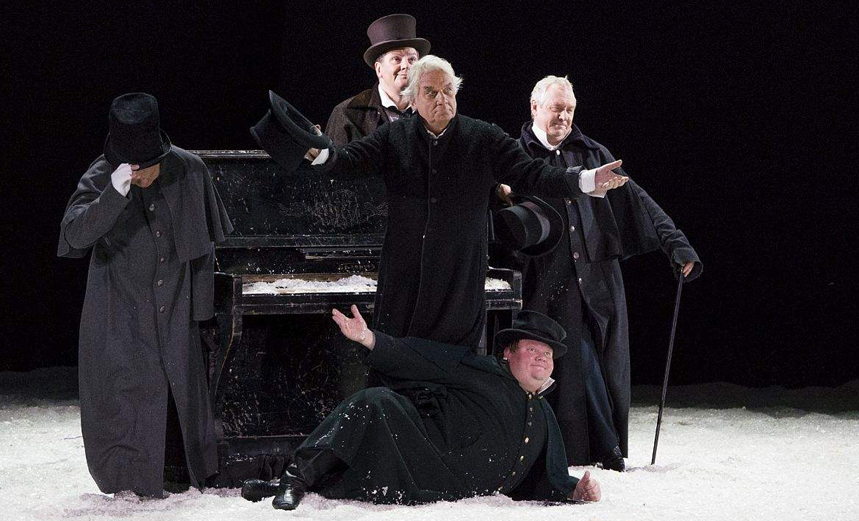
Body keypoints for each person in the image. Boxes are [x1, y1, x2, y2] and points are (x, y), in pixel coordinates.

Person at [301, 56, 629, 350]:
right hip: (404, 278)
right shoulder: (394, 137)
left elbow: (534, 173)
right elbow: (350, 160)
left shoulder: (482, 137)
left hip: (459, 278)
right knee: (396, 358)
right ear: (413, 99)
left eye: (448, 91)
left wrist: (586, 179)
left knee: (454, 366)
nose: (442, 99)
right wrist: (320, 153)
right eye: (431, 92)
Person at [497, 76, 702, 471]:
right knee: (565, 361)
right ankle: (589, 448)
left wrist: (675, 243)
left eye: (570, 109)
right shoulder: (513, 155)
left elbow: (636, 198)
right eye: (556, 108)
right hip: (544, 279)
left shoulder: (591, 153)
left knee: (602, 361)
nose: (564, 116)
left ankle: (599, 447)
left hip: (596, 276)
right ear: (534, 107)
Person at [240, 308, 602, 509]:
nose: (541, 357)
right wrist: (368, 338)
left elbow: (543, 476)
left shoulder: (544, 415)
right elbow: (416, 359)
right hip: (421, 459)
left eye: (547, 354)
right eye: (532, 349)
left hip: (438, 492)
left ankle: (276, 489)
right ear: (508, 353)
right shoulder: (480, 370)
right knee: (375, 401)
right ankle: (294, 478)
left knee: (350, 486)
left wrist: (573, 491)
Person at [57, 92, 233, 497]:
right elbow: (73, 236)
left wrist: (201, 315)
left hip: (176, 308)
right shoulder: (102, 175)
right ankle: (127, 479)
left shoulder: (190, 169)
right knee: (125, 395)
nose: (139, 176)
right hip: (119, 308)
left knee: (180, 395)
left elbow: (204, 250)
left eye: (144, 168)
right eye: (131, 170)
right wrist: (112, 195)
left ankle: (185, 471)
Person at [324, 14, 430, 145]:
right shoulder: (348, 113)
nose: (406, 66)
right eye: (396, 59)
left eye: (412, 59)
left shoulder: (432, 108)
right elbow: (335, 158)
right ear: (379, 69)